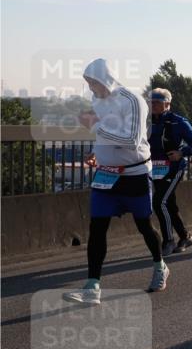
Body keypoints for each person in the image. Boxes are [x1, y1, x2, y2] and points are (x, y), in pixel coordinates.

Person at [64, 59, 168, 304]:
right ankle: (92, 287)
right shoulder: (97, 101)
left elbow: (131, 139)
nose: (90, 88)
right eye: (87, 83)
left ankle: (160, 265)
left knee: (144, 225)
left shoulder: (133, 100)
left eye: (93, 82)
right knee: (97, 227)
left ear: (105, 79)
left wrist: (96, 127)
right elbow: (105, 133)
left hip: (134, 174)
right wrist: (96, 150)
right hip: (106, 175)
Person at [148, 88, 192, 255]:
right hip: (155, 169)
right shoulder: (147, 122)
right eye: (151, 102)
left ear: (167, 104)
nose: (153, 105)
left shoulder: (178, 122)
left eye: (157, 102)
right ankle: (185, 237)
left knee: (159, 202)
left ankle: (168, 241)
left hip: (174, 169)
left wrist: (181, 153)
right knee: (169, 204)